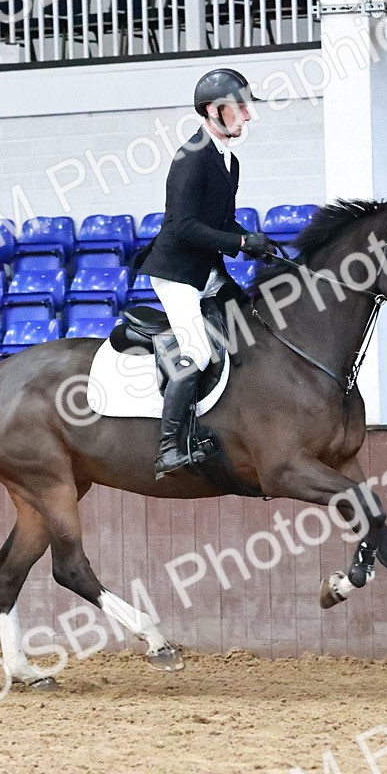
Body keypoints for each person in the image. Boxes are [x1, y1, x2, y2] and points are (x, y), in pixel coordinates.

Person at [136, 68, 273, 478]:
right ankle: (169, 448)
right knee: (194, 352)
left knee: (254, 324)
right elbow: (182, 226)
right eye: (240, 108)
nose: (249, 117)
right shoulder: (190, 159)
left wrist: (253, 240)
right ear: (214, 111)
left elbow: (223, 222)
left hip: (206, 271)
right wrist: (242, 245)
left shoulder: (228, 160)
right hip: (177, 274)